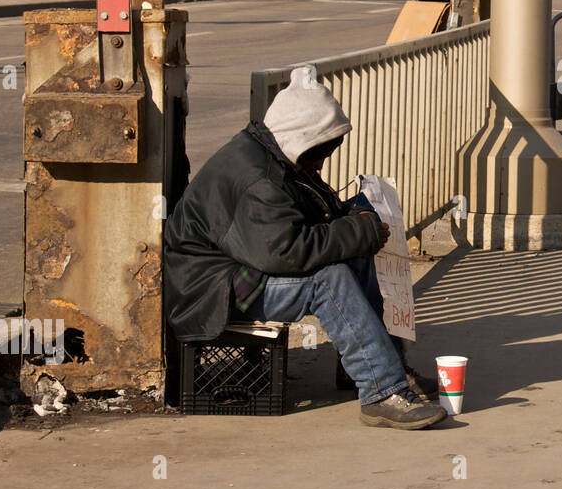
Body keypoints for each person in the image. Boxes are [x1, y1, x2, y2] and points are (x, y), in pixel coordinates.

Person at [164, 67, 447, 429]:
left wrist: (351, 218)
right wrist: (356, 230)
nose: (321, 163)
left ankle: (377, 364)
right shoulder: (259, 179)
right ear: (301, 138)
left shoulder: (272, 151)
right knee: (327, 279)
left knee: (353, 253)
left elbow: (302, 218)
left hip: (237, 268)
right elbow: (285, 251)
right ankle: (382, 391)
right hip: (212, 289)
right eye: (319, 153)